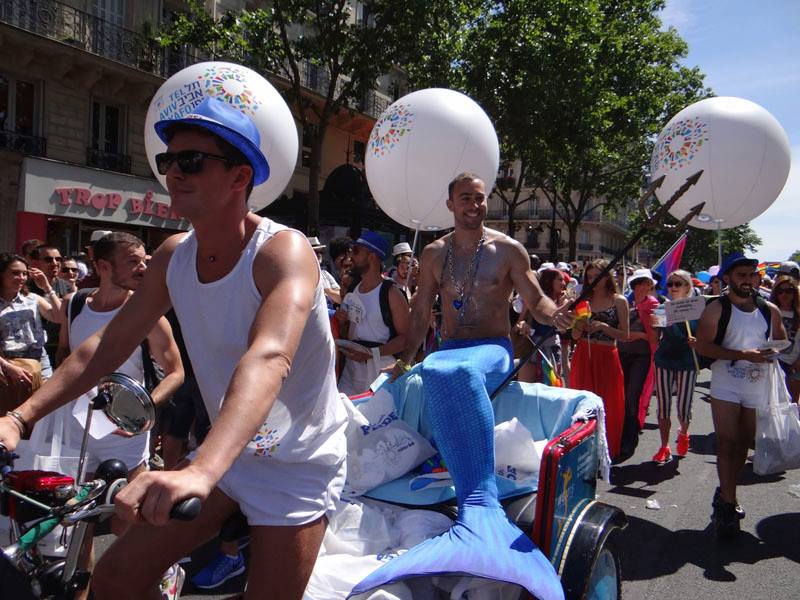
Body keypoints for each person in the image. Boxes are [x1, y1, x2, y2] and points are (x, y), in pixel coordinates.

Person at [0, 96, 348, 599]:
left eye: (192, 160)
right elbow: (105, 346)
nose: (174, 172)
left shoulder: (281, 250)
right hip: (227, 453)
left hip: (297, 460)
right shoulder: (173, 256)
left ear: (240, 176)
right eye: (168, 161)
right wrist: (19, 417)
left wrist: (201, 470)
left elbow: (269, 356)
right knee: (114, 580)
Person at [354, 172, 569, 600]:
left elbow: (535, 299)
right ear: (450, 204)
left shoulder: (508, 249)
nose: (474, 204)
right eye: (465, 198)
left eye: (480, 197)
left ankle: (480, 505)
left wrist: (554, 314)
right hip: (450, 349)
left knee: (456, 372)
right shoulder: (435, 253)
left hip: (492, 348)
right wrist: (406, 360)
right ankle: (472, 508)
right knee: (437, 369)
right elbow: (420, 313)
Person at [58, 232, 184, 599]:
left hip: (126, 432)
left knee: (129, 519)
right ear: (102, 266)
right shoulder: (74, 304)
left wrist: (141, 412)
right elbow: (66, 355)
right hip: (78, 428)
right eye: (133, 261)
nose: (144, 267)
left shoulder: (147, 314)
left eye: (146, 260)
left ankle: (153, 582)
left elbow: (175, 372)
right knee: (78, 521)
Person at [695, 252, 786, 537]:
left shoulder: (769, 309)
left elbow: (781, 339)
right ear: (727, 278)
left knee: (744, 443)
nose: (748, 280)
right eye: (741, 275)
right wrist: (742, 354)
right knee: (726, 442)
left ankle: (725, 491)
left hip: (757, 383)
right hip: (726, 383)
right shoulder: (715, 309)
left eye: (751, 275)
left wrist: (773, 350)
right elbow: (703, 347)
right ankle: (728, 504)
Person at [336, 231, 410, 395]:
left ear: (372, 256)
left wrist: (371, 354)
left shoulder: (391, 293)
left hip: (379, 373)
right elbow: (351, 333)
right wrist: (343, 323)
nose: (351, 257)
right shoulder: (353, 290)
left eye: (356, 251)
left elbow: (406, 338)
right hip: (351, 372)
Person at [570, 259, 629, 459]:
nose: (593, 280)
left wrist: (603, 326)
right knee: (582, 403)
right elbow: (575, 335)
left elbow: (625, 336)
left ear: (607, 277)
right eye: (589, 276)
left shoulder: (619, 301)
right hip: (583, 354)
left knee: (608, 403)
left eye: (597, 276)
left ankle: (605, 451)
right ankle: (581, 451)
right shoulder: (582, 300)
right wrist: (580, 325)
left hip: (607, 355)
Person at [0, 253, 62, 410]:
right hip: (8, 364)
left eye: (24, 273)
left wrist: (47, 288)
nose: (21, 278)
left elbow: (60, 317)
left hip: (40, 360)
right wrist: (8, 367)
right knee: (14, 412)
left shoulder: (33, 298)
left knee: (45, 409)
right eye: (15, 273)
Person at [652, 270, 699, 466]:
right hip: (665, 360)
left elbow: (705, 335)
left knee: (683, 407)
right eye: (670, 284)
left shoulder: (696, 309)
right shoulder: (662, 308)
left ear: (687, 287)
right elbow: (655, 338)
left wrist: (697, 341)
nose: (673, 287)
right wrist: (654, 324)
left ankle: (684, 433)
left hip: (687, 361)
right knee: (663, 405)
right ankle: (664, 446)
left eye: (678, 284)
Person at [617, 268, 659, 463]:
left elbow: (657, 335)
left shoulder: (655, 305)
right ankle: (619, 434)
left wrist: (641, 335)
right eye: (640, 283)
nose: (644, 287)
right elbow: (618, 328)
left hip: (641, 357)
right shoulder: (623, 302)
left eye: (647, 283)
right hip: (621, 353)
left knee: (632, 396)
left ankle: (629, 438)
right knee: (620, 395)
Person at [515, 268, 569, 384]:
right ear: (549, 280)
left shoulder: (563, 300)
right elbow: (520, 322)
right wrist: (523, 325)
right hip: (531, 347)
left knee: (549, 387)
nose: (564, 283)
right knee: (526, 387)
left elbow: (564, 331)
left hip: (552, 349)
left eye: (564, 280)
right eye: (560, 280)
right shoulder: (534, 300)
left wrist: (564, 307)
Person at [28, 244, 71, 366]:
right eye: (48, 259)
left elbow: (67, 318)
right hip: (34, 351)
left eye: (58, 259)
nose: (55, 263)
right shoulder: (25, 287)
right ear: (35, 263)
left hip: (60, 347)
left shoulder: (66, 287)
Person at [770, 274, 800, 401]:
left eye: (789, 291)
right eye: (780, 291)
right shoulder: (769, 312)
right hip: (772, 364)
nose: (784, 294)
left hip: (793, 366)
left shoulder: (798, 314)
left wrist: (798, 362)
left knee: (792, 404)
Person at [308, 236, 341, 306]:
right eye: (316, 252)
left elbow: (340, 298)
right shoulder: (300, 277)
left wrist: (326, 290)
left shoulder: (325, 274)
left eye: (321, 252)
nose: (319, 254)